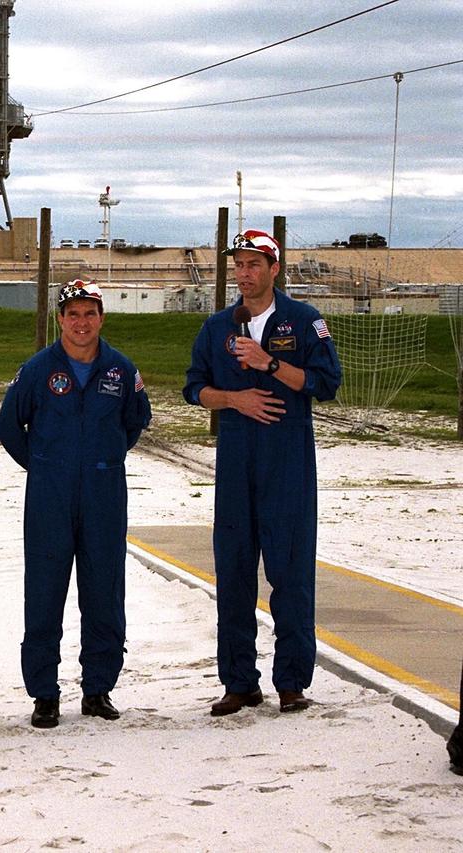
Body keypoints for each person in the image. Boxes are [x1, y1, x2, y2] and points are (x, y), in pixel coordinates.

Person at [183, 229, 341, 716]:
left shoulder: (304, 320)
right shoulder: (216, 328)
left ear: (275, 269)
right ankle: (239, 682)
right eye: (239, 265)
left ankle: (291, 682)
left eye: (255, 264)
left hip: (286, 463)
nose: (245, 273)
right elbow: (194, 389)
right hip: (235, 463)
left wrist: (268, 364)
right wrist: (233, 399)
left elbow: (326, 384)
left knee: (290, 574)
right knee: (232, 573)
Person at [0, 279, 152, 729]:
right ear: (59, 319)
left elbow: (134, 423)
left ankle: (98, 688)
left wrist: (104, 459)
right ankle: (44, 694)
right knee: (44, 592)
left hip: (104, 494)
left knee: (104, 590)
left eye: (89, 314)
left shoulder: (121, 370)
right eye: (72, 314)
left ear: (101, 318)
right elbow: (10, 427)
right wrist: (45, 467)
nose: (81, 323)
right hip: (50, 496)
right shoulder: (37, 369)